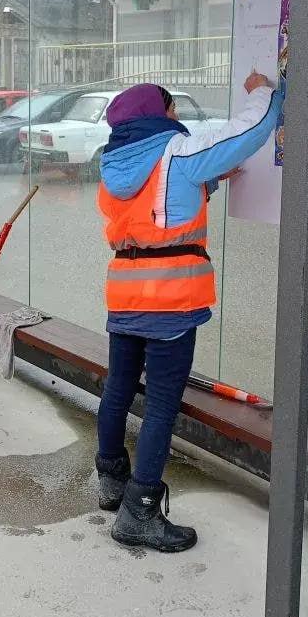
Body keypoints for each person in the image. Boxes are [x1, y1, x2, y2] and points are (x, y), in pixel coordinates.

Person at [96, 72, 282, 552]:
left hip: (126, 296)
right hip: (171, 301)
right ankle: (138, 515)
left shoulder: (115, 164)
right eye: (171, 108)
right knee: (160, 405)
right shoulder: (177, 151)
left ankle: (112, 482)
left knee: (117, 390)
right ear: (156, 116)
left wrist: (210, 182)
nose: (177, 116)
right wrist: (263, 90)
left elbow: (155, 208)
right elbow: (249, 132)